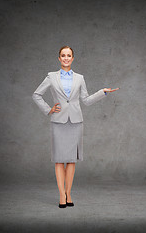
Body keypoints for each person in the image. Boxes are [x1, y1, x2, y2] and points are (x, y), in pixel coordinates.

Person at [32, 46, 119, 208]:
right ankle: (61, 195)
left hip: (75, 122)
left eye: (69, 55)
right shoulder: (51, 77)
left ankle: (68, 193)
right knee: (59, 160)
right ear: (59, 58)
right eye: (63, 55)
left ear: (73, 58)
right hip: (58, 121)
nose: (66, 58)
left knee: (71, 161)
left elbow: (85, 100)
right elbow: (36, 95)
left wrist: (102, 92)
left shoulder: (80, 78)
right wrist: (48, 109)